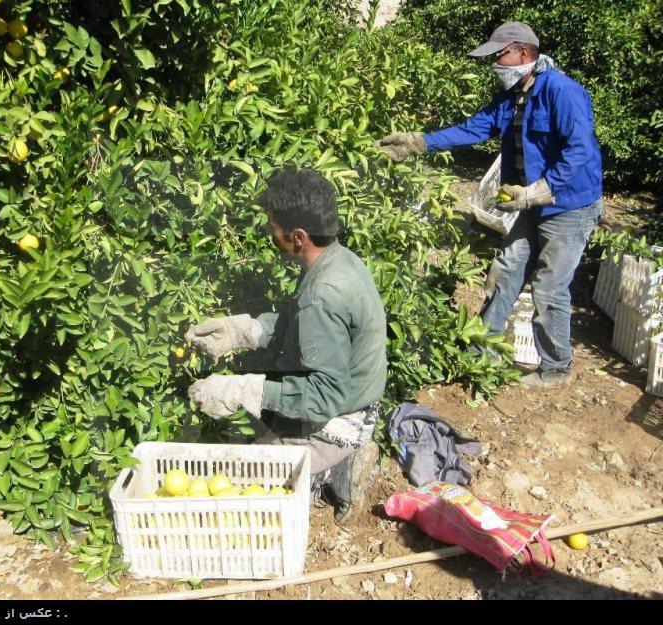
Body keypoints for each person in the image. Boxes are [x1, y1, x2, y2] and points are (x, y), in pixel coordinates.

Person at [375, 22, 603, 389]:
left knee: (549, 287)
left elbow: (580, 151)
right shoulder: (514, 94)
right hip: (532, 205)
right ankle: (483, 352)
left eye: (501, 55)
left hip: (568, 207)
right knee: (506, 271)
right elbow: (474, 128)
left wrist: (539, 191)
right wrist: (420, 142)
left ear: (525, 53)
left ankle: (556, 368)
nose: (496, 63)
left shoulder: (562, 92)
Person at [186, 169, 387, 523]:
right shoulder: (338, 260)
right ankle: (327, 462)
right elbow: (311, 329)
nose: (269, 233)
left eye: (273, 228)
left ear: (298, 237)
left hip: (340, 416)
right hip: (353, 396)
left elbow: (323, 398)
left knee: (240, 491)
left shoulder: (322, 293)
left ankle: (337, 465)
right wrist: (245, 331)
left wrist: (242, 389)